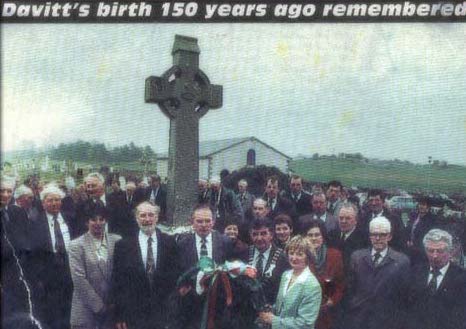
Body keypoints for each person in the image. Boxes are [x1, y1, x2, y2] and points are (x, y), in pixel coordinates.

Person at [111, 201, 179, 329]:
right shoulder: (123, 245)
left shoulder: (170, 243)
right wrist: (119, 314)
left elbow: (175, 277)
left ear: (157, 217)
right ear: (136, 218)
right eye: (142, 215)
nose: (147, 219)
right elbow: (118, 281)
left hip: (163, 313)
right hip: (135, 314)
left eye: (151, 215)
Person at [343, 216, 410, 329]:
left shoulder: (401, 261)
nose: (378, 238)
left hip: (387, 320)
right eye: (374, 234)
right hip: (359, 319)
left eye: (382, 234)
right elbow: (350, 288)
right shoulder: (357, 257)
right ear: (369, 236)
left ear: (389, 236)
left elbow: (403, 295)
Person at [27, 183, 76, 329]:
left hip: (70, 271)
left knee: (69, 310)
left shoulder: (70, 219)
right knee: (51, 314)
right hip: (47, 276)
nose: (54, 203)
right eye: (50, 200)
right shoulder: (35, 222)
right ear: (43, 203)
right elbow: (32, 255)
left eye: (57, 200)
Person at [68, 203, 121, 329]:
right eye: (93, 219)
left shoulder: (117, 240)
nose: (98, 223)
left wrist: (113, 305)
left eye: (101, 219)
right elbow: (79, 280)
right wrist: (99, 307)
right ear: (87, 222)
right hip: (85, 311)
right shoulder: (76, 245)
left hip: (111, 310)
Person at [406, 229, 466, 329]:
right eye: (430, 250)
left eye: (440, 251)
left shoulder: (462, 278)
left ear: (450, 251)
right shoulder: (415, 272)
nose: (434, 255)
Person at [257, 236, 322, 329]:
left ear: (308, 257)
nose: (294, 258)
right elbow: (282, 306)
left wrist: (274, 320)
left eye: (299, 254)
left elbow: (305, 324)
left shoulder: (312, 286)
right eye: (291, 253)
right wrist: (271, 310)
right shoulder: (285, 275)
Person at [303, 219, 344, 329]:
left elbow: (340, 284)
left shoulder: (335, 255)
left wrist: (333, 300)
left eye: (317, 235)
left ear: (323, 236)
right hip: (305, 311)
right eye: (310, 235)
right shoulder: (300, 256)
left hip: (327, 312)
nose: (313, 238)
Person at [243, 218, 289, 304]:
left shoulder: (282, 258)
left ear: (271, 235)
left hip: (272, 308)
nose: (259, 238)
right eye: (255, 234)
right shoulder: (244, 255)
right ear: (250, 235)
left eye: (263, 234)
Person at [327, 203, 368, 270]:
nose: (343, 221)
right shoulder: (332, 235)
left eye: (348, 218)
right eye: (341, 218)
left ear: (356, 221)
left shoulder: (363, 239)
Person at [406, 196, 441, 265]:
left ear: (428, 207)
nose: (421, 206)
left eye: (424, 205)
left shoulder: (432, 219)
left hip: (422, 251)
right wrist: (408, 240)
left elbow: (431, 236)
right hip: (410, 249)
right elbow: (408, 229)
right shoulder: (414, 216)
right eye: (420, 204)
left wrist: (416, 244)